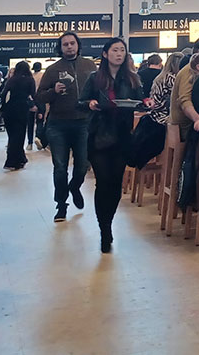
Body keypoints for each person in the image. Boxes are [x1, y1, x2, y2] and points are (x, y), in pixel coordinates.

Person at [79, 37, 144, 253]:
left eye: (122, 50)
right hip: (98, 136)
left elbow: (141, 101)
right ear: (105, 54)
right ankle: (104, 228)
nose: (119, 54)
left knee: (116, 184)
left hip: (122, 136)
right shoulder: (95, 78)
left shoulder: (132, 79)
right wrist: (90, 103)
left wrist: (146, 103)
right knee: (103, 181)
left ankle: (108, 221)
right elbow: (81, 102)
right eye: (115, 50)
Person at [35, 32, 95, 222]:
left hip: (84, 122)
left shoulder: (90, 66)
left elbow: (98, 89)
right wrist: (54, 91)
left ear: (78, 45)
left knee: (82, 165)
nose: (69, 47)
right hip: (58, 124)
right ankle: (61, 205)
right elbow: (40, 96)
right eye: (65, 44)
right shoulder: (53, 69)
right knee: (60, 167)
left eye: (72, 43)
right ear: (60, 48)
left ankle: (75, 186)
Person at [0, 61, 36, 170]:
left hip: (9, 110)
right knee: (19, 135)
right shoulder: (30, 80)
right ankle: (13, 161)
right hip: (22, 109)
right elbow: (33, 94)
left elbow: (3, 94)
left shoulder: (12, 79)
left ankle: (20, 159)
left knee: (12, 136)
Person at [28, 60, 45, 149]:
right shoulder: (43, 75)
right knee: (40, 120)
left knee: (30, 122)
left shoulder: (31, 76)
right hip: (41, 99)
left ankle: (29, 143)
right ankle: (38, 137)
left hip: (31, 100)